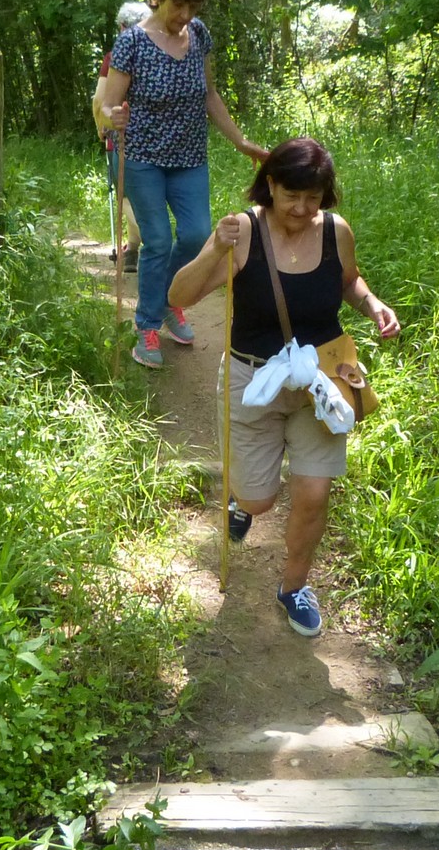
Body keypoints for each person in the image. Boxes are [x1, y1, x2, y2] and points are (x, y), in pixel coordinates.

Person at [168, 137, 399, 638]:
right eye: (292, 195)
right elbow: (179, 295)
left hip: (322, 382)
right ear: (269, 185)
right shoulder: (244, 233)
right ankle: (242, 502)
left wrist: (373, 304)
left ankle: (294, 587)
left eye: (313, 197)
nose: (302, 208)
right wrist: (215, 247)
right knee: (259, 501)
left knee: (314, 493)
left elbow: (349, 281)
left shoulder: (336, 232)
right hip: (253, 379)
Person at [97, 0, 267, 369]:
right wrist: (111, 116)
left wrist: (241, 140)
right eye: (178, 6)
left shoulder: (199, 35)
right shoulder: (132, 43)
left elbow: (209, 94)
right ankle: (147, 325)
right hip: (142, 158)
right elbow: (106, 103)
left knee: (195, 235)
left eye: (193, 7)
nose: (185, 15)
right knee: (156, 240)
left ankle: (169, 300)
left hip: (189, 158)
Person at [92, 0, 148, 271]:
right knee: (142, 197)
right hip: (158, 141)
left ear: (123, 27)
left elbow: (99, 99)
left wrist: (102, 126)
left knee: (126, 196)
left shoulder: (114, 57)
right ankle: (134, 250)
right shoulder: (164, 52)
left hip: (122, 137)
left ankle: (149, 245)